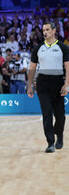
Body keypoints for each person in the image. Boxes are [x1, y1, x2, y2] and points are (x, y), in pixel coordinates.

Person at [27, 22, 69, 153]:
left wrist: (66, 84)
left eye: (47, 29)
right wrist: (29, 85)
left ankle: (59, 135)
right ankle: (50, 142)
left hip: (58, 82)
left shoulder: (63, 47)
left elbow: (68, 67)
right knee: (47, 114)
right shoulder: (38, 48)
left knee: (60, 116)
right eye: (43, 30)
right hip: (43, 82)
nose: (45, 32)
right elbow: (32, 68)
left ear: (54, 31)